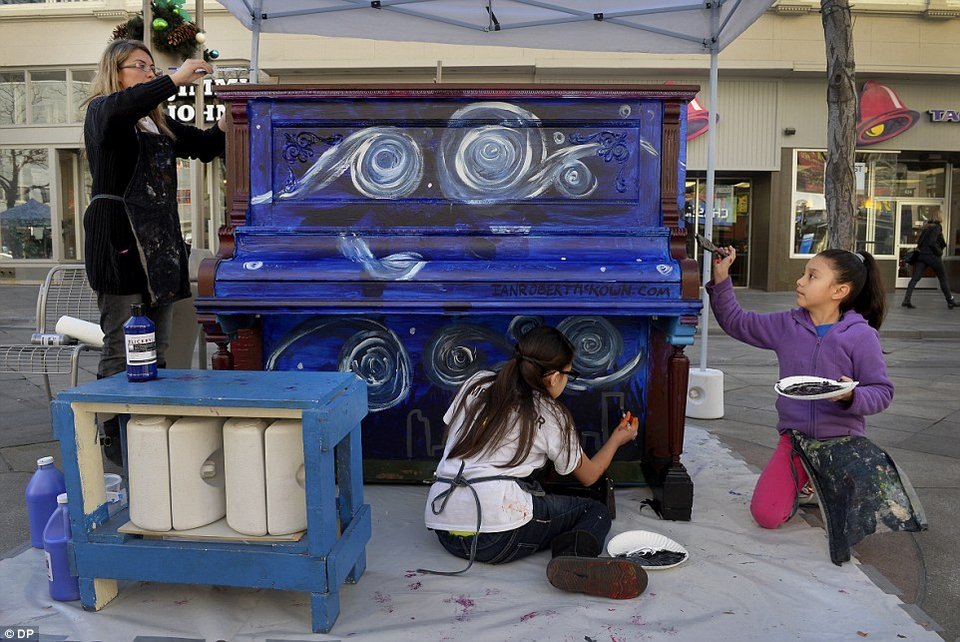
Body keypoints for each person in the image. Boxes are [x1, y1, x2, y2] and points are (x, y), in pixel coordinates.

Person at [422, 326, 647, 599]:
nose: (567, 381)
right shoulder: (550, 414)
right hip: (497, 539)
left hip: (444, 529)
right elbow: (590, 476)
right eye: (569, 374)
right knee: (595, 510)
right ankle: (572, 560)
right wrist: (617, 439)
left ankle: (568, 560)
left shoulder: (477, 383)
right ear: (552, 377)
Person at [82, 40, 226, 464]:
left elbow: (203, 146)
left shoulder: (154, 123)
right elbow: (120, 108)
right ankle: (113, 443)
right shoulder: (102, 111)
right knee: (121, 345)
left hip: (159, 241)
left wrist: (229, 115)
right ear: (116, 70)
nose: (148, 73)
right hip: (119, 239)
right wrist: (174, 78)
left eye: (152, 67)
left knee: (156, 347)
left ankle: (148, 430)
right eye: (140, 66)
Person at [707, 248, 894, 529]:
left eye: (812, 276)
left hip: (843, 444)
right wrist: (722, 279)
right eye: (804, 273)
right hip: (795, 441)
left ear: (839, 290)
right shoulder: (787, 325)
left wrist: (851, 395)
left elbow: (882, 392)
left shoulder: (861, 335)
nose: (800, 281)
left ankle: (823, 482)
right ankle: (804, 484)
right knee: (766, 516)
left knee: (861, 521)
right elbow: (737, 322)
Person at [902, 219, 956, 310]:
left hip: (922, 256)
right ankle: (950, 301)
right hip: (932, 257)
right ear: (939, 218)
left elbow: (919, 243)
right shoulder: (937, 227)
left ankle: (906, 300)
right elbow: (932, 242)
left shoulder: (926, 228)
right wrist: (939, 252)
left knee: (915, 278)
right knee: (943, 278)